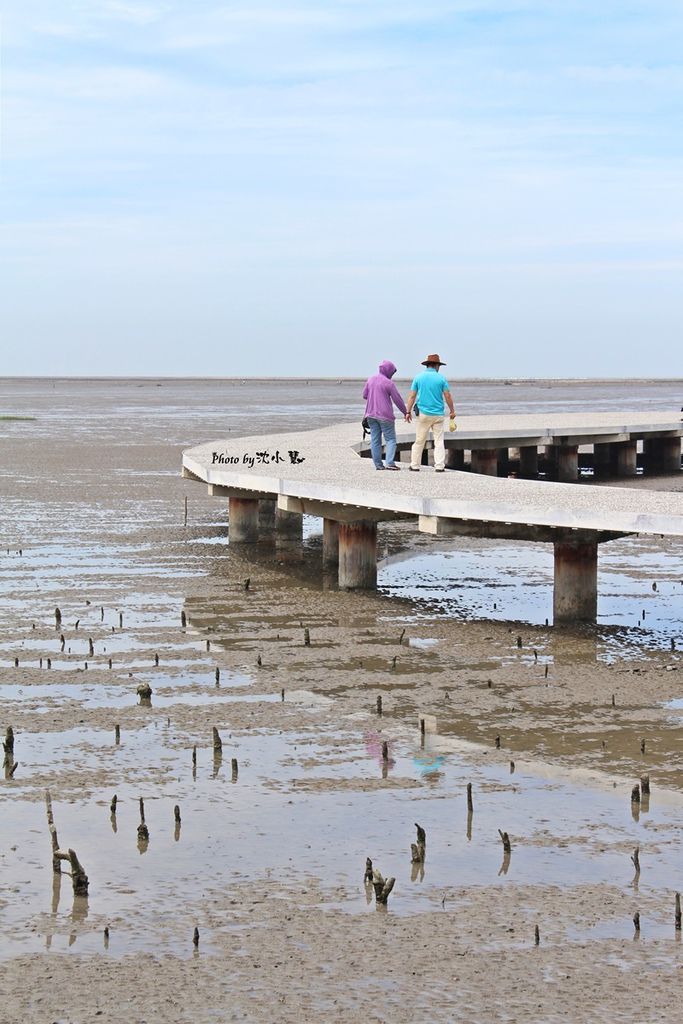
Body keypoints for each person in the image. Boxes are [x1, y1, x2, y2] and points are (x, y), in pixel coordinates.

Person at [406, 354, 455, 472]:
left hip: (423, 414)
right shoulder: (441, 378)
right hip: (438, 415)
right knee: (439, 441)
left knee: (419, 440)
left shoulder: (418, 377)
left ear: (427, 365)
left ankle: (415, 465)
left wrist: (408, 411)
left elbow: (412, 396)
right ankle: (439, 466)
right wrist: (452, 410)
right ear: (437, 365)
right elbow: (447, 395)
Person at [362, 360, 408, 470]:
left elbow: (364, 395)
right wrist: (406, 412)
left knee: (375, 440)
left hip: (371, 415)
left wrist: (375, 396)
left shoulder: (371, 379)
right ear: (388, 371)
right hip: (385, 416)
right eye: (392, 372)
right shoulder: (389, 383)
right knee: (391, 439)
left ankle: (378, 465)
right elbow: (398, 400)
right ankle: (390, 463)